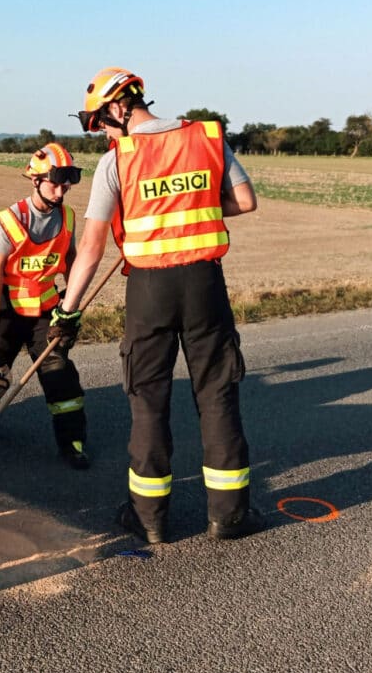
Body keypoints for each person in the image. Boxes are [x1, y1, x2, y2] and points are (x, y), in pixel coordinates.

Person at [49, 67, 263, 540]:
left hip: (149, 291)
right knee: (217, 394)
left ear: (118, 107)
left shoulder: (118, 161)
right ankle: (228, 517)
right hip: (204, 285)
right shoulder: (206, 138)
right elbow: (245, 201)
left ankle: (149, 521)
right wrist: (193, 206)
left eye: (98, 121)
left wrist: (67, 310)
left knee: (148, 402)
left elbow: (90, 250)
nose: (100, 131)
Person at [0, 142, 90, 469]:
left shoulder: (67, 218)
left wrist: (71, 310)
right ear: (35, 180)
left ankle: (72, 444)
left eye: (66, 183)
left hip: (47, 313)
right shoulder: (8, 221)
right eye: (55, 182)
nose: (61, 190)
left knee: (61, 377)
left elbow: (72, 264)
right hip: (8, 313)